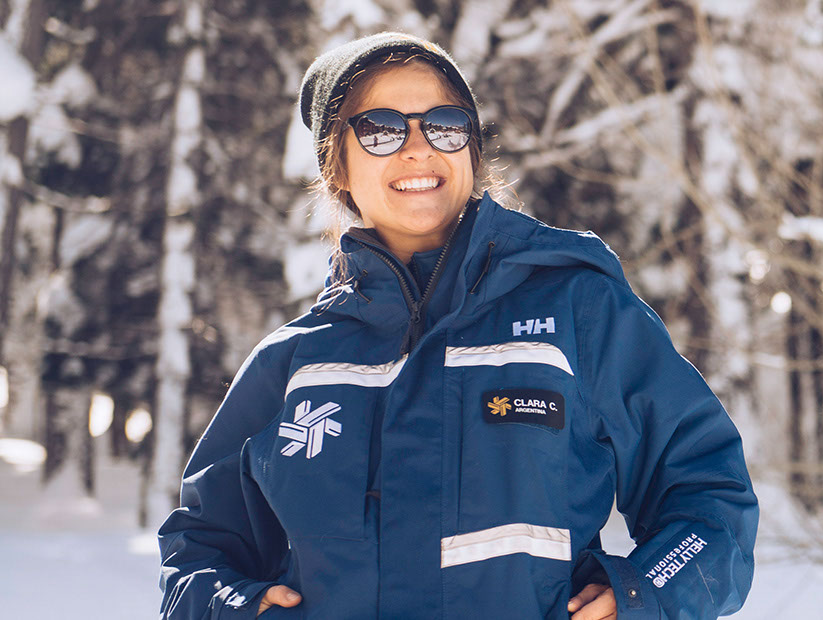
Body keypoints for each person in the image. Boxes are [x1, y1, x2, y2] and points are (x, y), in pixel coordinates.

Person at [158, 32, 756, 620]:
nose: (419, 148)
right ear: (335, 165)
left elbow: (708, 493)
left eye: (444, 125)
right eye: (383, 129)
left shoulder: (578, 310)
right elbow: (198, 550)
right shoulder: (293, 365)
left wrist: (643, 593)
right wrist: (233, 606)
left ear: (470, 149)